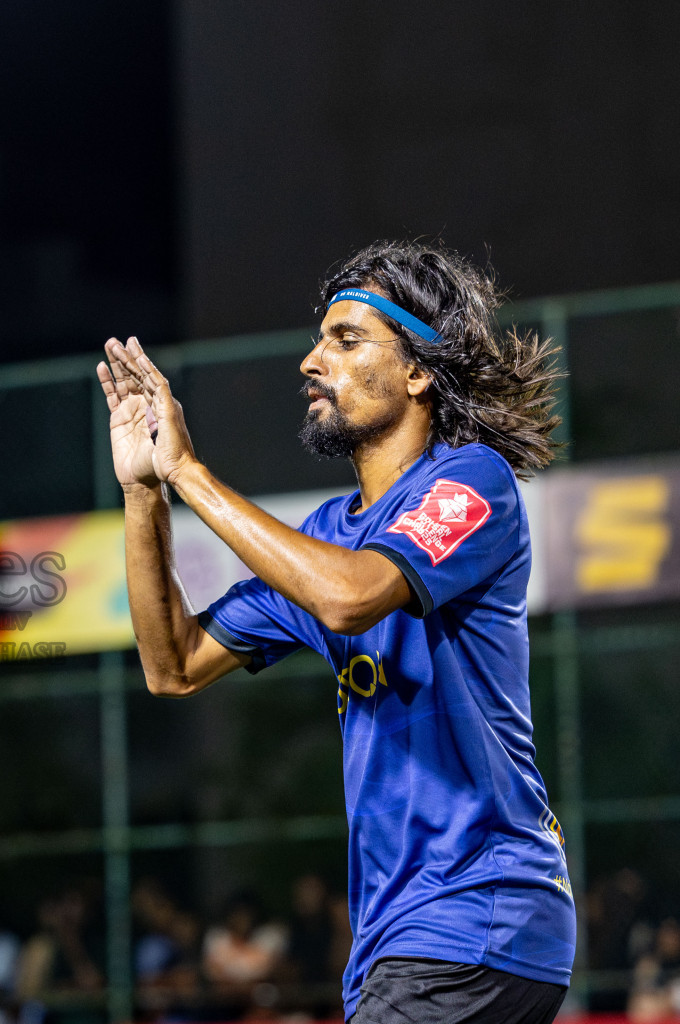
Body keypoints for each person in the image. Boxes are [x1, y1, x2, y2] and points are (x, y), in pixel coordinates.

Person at [99, 240, 574, 1023]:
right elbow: (172, 665)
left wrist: (190, 474)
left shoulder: (471, 481)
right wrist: (145, 492)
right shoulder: (326, 536)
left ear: (419, 371)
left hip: (475, 911)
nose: (311, 360)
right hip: (404, 939)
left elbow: (352, 598)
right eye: (319, 339)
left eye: (346, 340)